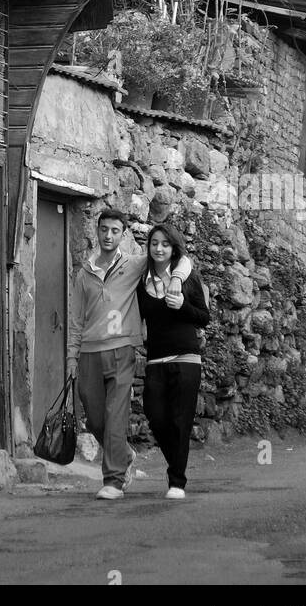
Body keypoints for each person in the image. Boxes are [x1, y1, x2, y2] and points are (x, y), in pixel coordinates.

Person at [66, 202, 193, 500]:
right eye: (104, 230)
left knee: (115, 416)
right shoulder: (84, 273)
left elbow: (182, 259)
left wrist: (175, 279)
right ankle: (124, 454)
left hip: (122, 350)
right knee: (96, 419)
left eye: (115, 231)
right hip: (89, 353)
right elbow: (75, 320)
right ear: (96, 232)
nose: (109, 235)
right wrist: (71, 357)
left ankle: (113, 481)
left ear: (123, 234)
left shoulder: (134, 264)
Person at [137, 222, 210, 499]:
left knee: (181, 421)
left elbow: (204, 317)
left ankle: (176, 482)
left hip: (186, 358)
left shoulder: (189, 278)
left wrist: (183, 307)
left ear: (173, 248)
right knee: (156, 417)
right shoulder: (142, 279)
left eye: (165, 244)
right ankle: (176, 463)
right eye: (154, 243)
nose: (159, 248)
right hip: (156, 360)